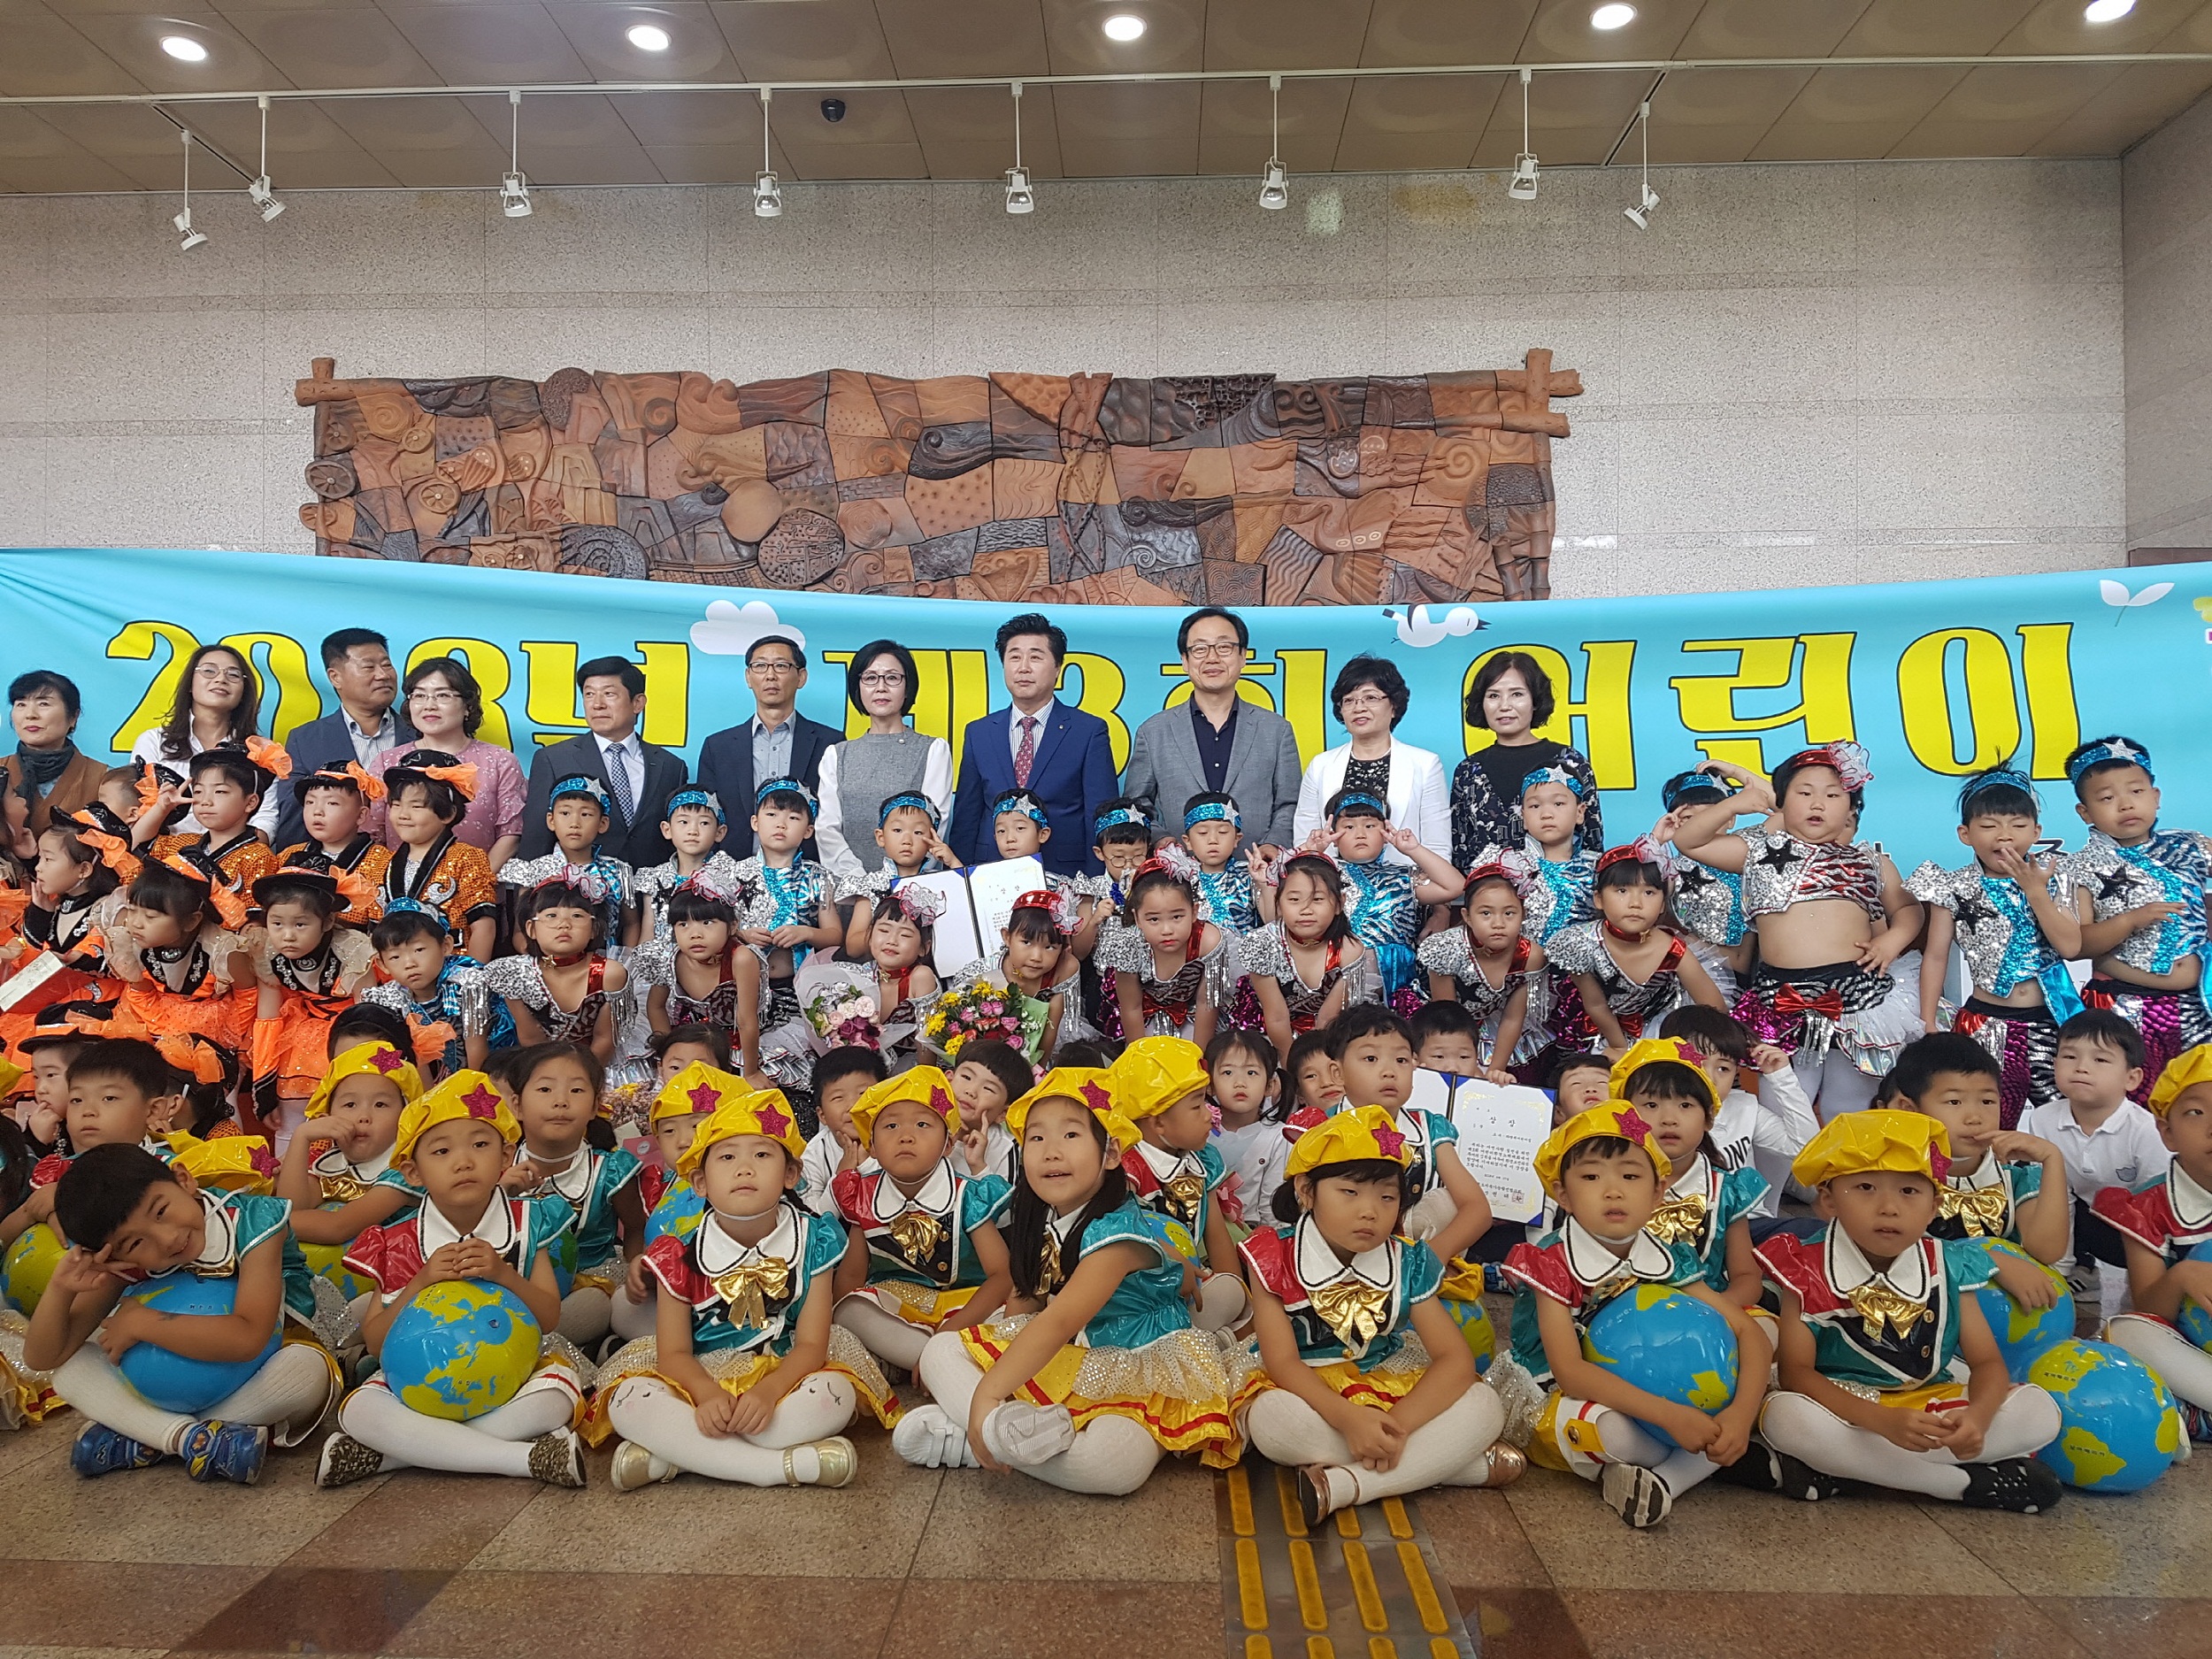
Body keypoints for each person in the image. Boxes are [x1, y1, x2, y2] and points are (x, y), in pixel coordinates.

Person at [892, 1066, 1242, 1488]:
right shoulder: (1048, 1218)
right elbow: (1027, 1300)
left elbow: (1059, 1321)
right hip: (1076, 1354)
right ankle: (1003, 1434)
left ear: (1110, 1154)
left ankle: (976, 1439)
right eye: (1037, 1138)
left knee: (1113, 1466)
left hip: (1140, 1364)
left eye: (1071, 1135)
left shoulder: (1116, 1236)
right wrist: (992, 1363)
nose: (1051, 1152)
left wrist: (987, 1394)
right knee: (940, 1350)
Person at [589, 1071, 895, 1491]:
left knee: (832, 1397)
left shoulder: (815, 1240)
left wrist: (769, 1393)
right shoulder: (677, 1254)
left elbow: (811, 1345)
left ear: (791, 1174)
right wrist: (706, 1395)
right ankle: (779, 1467)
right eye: (727, 1157)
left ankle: (679, 1456)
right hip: (698, 1375)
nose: (744, 1168)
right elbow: (674, 1355)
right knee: (629, 1402)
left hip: (786, 1371)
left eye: (762, 1155)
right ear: (700, 1181)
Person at [1756, 1110, 2065, 1512]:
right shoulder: (1803, 1266)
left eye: (1908, 1191)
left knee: (2040, 1411)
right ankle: (1957, 1484)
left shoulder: (1949, 1263)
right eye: (1865, 1187)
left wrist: (1978, 1419)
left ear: (1935, 1205)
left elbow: (1987, 1363)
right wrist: (1880, 1421)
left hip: (1929, 1406)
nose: (1889, 1207)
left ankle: (1848, 1470)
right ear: (1828, 1200)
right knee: (1784, 1417)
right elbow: (1797, 1374)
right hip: (1845, 1410)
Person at [1499, 1102, 1773, 1528]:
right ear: (1562, 1194)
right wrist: (1672, 1417)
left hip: (1655, 1399)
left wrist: (1739, 1416)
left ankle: (1663, 1480)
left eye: (1630, 1176)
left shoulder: (1668, 1255)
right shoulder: (1550, 1260)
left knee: (1746, 1401)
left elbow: (1750, 1333)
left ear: (1658, 1191)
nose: (1613, 1191)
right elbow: (1571, 1372)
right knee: (1607, 1430)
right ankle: (1686, 1466)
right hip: (1560, 1391)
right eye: (1591, 1177)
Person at [1240, 1104, 1518, 1523]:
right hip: (1308, 1390)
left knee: (1484, 1406)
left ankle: (1348, 1485)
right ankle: (1456, 1467)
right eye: (1349, 1193)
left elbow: (1455, 1360)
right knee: (1274, 1422)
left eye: (1387, 1197)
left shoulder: (1409, 1259)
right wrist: (1351, 1421)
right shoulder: (1271, 1254)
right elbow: (1283, 1363)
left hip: (1388, 1383)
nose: (1369, 1211)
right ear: (1306, 1190)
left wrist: (1392, 1426)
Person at [314, 1071, 588, 1488]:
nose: (463, 1162)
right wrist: (420, 1281)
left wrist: (502, 1273)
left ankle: (396, 1455)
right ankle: (522, 1458)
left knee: (556, 1398)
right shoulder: (398, 1241)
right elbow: (376, 1343)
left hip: (513, 1375)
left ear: (506, 1156)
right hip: (421, 1385)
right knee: (359, 1410)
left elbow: (549, 1317)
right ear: (413, 1172)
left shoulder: (529, 1221)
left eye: (480, 1145)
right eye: (441, 1151)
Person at [25, 1143, 338, 1482]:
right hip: (183, 1385)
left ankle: (147, 1435)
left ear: (184, 1180)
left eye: (160, 1211)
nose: (166, 1239)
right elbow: (44, 1357)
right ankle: (193, 1439)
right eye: (135, 1243)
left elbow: (249, 1338)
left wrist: (143, 1323)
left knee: (307, 1374)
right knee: (70, 1370)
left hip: (268, 1358)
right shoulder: (127, 1263)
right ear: (114, 1256)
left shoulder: (253, 1221)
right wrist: (61, 1289)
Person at [1671, 742, 1924, 1121]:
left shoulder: (1871, 861)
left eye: (1833, 795)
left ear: (1851, 808)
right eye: (1804, 793)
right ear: (1782, 803)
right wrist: (1735, 803)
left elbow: (1908, 908)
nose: (1817, 804)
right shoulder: (1757, 852)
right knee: (1784, 1105)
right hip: (1781, 997)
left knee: (1848, 1106)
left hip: (1857, 996)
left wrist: (1892, 939)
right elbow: (1689, 841)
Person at [1906, 767, 2083, 1129]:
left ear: (2036, 832)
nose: (2004, 835)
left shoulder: (2056, 880)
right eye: (1989, 826)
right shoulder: (1954, 886)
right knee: (1986, 1122)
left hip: (2051, 1021)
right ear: (1965, 834)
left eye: (2018, 825)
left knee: (2068, 1120)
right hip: (1984, 1022)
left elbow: (2069, 945)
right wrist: (1928, 1019)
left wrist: (2035, 891)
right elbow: (1937, 955)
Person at [829, 1066, 1014, 1373]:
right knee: (850, 1309)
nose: (906, 1136)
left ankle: (926, 1361)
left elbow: (1002, 1276)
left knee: (1013, 1319)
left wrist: (951, 1330)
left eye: (922, 1124)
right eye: (890, 1126)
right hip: (899, 1309)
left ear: (948, 1145)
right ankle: (939, 1365)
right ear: (871, 1146)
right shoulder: (864, 1196)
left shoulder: (967, 1196)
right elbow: (850, 1279)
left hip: (966, 1307)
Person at [2063, 735, 2212, 1100]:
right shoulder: (2080, 867)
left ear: (2156, 796)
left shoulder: (2191, 845)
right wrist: (2130, 921)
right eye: (2107, 798)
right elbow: (2078, 944)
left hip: (2196, 1004)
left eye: (2136, 791)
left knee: (2197, 1100)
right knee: (2128, 1103)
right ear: (2085, 812)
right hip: (2122, 1004)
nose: (2126, 804)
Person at [2019, 1010, 2166, 1326]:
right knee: (2039, 1200)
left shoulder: (2145, 1130)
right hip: (2086, 1217)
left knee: (2138, 1311)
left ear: (2132, 1078)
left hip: (2140, 1228)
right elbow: (2056, 1199)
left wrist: (2143, 1287)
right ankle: (2080, 1272)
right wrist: (2057, 1274)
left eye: (2100, 1060)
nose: (2081, 1067)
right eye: (2069, 1056)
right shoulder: (2043, 1119)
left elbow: (2157, 1210)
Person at [1120, 608, 1302, 858]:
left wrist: (1274, 843)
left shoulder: (1276, 730)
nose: (1212, 658)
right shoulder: (1154, 732)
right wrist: (1161, 839)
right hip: (1179, 872)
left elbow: (1290, 803)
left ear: (1243, 656)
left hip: (1256, 868)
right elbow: (1137, 804)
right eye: (1200, 649)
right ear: (1185, 660)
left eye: (1224, 647)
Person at [2095, 1044, 2212, 1430]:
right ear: (2167, 1132)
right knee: (2125, 1333)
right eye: (2196, 1112)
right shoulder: (2148, 1205)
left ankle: (2194, 1414)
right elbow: (2150, 1309)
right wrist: (2183, 1276)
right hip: (2186, 1348)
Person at [948, 614, 1119, 877]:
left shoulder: (1088, 731)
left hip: (1064, 874)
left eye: (1035, 657)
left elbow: (1099, 816)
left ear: (1058, 667)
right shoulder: (979, 732)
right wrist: (961, 879)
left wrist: (1094, 883)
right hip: (990, 872)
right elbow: (967, 817)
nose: (1023, 668)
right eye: (1014, 657)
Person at [519, 657, 688, 871]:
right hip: (579, 887)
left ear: (638, 703)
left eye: (609, 694)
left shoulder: (671, 766)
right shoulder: (554, 759)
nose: (597, 704)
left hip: (652, 887)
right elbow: (536, 839)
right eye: (589, 694)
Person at [815, 640, 953, 887]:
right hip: (852, 892)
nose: (881, 687)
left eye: (892, 678)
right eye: (870, 678)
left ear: (908, 687)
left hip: (913, 891)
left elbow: (935, 828)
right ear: (857, 688)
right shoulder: (837, 755)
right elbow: (827, 830)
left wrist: (901, 885)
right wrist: (864, 885)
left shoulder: (933, 750)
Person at [368, 658, 526, 872]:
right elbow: (373, 834)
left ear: (468, 706)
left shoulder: (500, 761)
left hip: (479, 886)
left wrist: (474, 883)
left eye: (442, 695)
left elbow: (511, 833)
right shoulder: (388, 762)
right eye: (419, 695)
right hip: (398, 887)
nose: (429, 705)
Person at [1448, 652, 1603, 871]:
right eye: (1493, 696)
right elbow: (1460, 853)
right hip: (1487, 890)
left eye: (1517, 694)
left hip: (1563, 888)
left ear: (1535, 701)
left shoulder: (1570, 761)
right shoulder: (1468, 771)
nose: (1504, 705)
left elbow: (1592, 844)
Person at [694, 635, 841, 863]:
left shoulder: (830, 744)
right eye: (760, 666)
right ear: (748, 677)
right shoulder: (718, 747)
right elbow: (707, 817)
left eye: (781, 666)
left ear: (801, 677)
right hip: (733, 872)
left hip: (807, 873)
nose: (770, 675)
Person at [1293, 655, 1450, 864]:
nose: (1359, 708)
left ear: (1394, 706)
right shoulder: (1321, 765)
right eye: (1349, 700)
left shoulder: (1425, 764)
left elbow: (1438, 847)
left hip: (1405, 879)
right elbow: (1305, 842)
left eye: (1371, 698)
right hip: (1331, 880)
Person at [275, 630, 413, 851]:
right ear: (335, 677)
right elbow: (294, 821)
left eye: (386, 665)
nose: (382, 675)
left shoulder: (420, 734)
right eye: (368, 667)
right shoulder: (305, 740)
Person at [129, 643, 281, 841]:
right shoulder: (154, 741)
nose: (221, 679)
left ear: (244, 691)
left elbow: (265, 820)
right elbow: (136, 810)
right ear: (190, 684)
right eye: (209, 671)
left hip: (236, 855)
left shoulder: (261, 751)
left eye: (233, 675)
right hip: (160, 853)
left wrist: (232, 854)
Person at [4, 671, 109, 854]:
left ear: (73, 717)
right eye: (21, 704)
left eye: (43, 704)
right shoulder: (2, 770)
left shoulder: (103, 778)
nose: (30, 714)